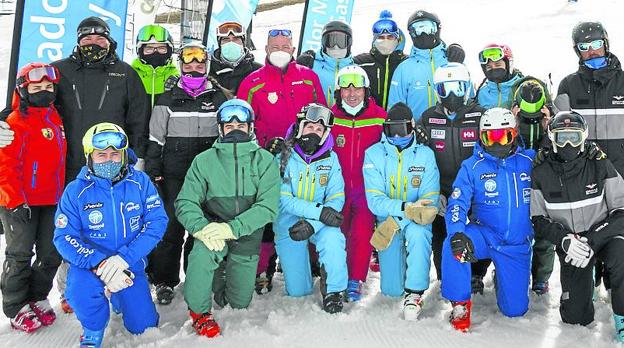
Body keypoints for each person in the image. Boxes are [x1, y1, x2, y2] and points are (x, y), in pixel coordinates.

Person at [53, 123, 168, 348]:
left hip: (129, 262)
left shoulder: (141, 182)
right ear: (90, 156)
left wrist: (124, 258)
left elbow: (157, 222)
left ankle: (120, 297)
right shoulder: (76, 191)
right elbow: (64, 236)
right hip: (90, 264)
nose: (109, 159)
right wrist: (100, 263)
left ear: (124, 155)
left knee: (144, 326)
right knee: (79, 291)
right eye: (101, 154)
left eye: (115, 153)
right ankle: (93, 329)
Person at [175, 99, 280, 338]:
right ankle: (200, 314)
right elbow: (185, 202)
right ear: (221, 129)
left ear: (251, 127)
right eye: (229, 125)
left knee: (238, 303)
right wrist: (201, 228)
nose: (235, 129)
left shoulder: (264, 160)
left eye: (241, 125)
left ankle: (222, 274)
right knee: (202, 254)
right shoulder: (204, 161)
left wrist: (232, 229)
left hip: (245, 236)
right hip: (212, 232)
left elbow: (268, 207)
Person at [237, 28, 325, 293]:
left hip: (304, 158)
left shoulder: (309, 79)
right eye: (274, 46)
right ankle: (263, 267)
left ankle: (309, 262)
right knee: (267, 211)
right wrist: (264, 142)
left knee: (307, 205)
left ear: (293, 50)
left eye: (285, 47)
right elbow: (243, 121)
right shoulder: (253, 82)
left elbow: (321, 114)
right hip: (266, 157)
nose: (280, 51)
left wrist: (312, 144)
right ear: (265, 49)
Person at [145, 42, 229, 305]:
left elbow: (226, 137)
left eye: (200, 64)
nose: (194, 68)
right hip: (173, 175)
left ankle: (195, 276)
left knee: (200, 228)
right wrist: (153, 170)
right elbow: (155, 138)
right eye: (189, 64)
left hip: (205, 176)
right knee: (171, 228)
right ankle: (164, 281)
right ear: (181, 66)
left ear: (207, 66)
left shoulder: (217, 98)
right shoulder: (168, 98)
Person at [531, 111, 624, 342]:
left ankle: (622, 316)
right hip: (571, 242)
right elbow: (538, 219)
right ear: (552, 139)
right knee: (575, 317)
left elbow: (621, 211)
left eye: (574, 137)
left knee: (622, 255)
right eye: (562, 138)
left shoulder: (599, 163)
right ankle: (586, 281)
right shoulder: (541, 172)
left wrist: (592, 241)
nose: (569, 144)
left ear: (584, 137)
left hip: (602, 235)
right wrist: (564, 240)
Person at [442, 107, 534, 332]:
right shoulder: (472, 166)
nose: (496, 144)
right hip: (485, 234)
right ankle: (460, 304)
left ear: (514, 134)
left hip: (516, 244)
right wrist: (455, 232)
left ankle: (503, 276)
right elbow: (457, 203)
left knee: (515, 310)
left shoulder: (529, 161)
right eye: (489, 137)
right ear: (480, 137)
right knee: (452, 246)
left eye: (503, 136)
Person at [0, 63, 65, 333]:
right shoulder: (15, 121)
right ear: (23, 90)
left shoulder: (57, 117)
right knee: (20, 255)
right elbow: (5, 166)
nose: (44, 92)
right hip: (21, 202)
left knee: (51, 254)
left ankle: (38, 296)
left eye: (49, 88)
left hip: (52, 200)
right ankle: (16, 307)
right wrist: (14, 200)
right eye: (36, 88)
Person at [364, 102, 440, 320]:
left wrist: (406, 214)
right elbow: (375, 200)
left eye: (402, 130)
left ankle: (415, 293)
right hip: (388, 220)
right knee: (391, 290)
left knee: (419, 232)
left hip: (415, 218)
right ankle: (399, 279)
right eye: (391, 130)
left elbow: (429, 198)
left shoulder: (424, 154)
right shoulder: (374, 154)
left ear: (412, 127)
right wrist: (404, 209)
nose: (397, 136)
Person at [274, 103, 347, 313]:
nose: (313, 133)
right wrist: (319, 212)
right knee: (298, 291)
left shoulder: (331, 159)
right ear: (299, 127)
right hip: (289, 224)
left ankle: (334, 291)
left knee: (334, 239)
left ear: (325, 134)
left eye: (319, 129)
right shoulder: (283, 157)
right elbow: (284, 200)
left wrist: (314, 223)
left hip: (320, 222)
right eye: (309, 127)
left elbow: (336, 196)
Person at [419, 62, 485, 284]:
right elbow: (420, 156)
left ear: (467, 88)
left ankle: (476, 274)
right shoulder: (428, 118)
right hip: (443, 188)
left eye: (457, 88)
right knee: (442, 233)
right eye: (444, 89)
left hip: (476, 188)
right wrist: (431, 191)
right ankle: (445, 275)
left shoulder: (479, 116)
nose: (451, 95)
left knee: (479, 229)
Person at [330, 65, 387, 301]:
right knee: (337, 231)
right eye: (346, 89)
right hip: (337, 187)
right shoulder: (330, 116)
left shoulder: (379, 117)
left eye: (357, 89)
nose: (352, 94)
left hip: (366, 189)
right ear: (338, 92)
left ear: (366, 90)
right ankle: (336, 275)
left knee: (362, 234)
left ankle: (355, 279)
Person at [558, 21, 624, 176]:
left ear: (606, 45)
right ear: (577, 51)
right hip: (587, 174)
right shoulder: (568, 86)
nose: (591, 51)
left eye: (596, 44)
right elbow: (558, 130)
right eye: (584, 47)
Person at [387, 10, 465, 121]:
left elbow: (469, 99)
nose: (423, 34)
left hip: (452, 132)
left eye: (428, 28)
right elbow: (394, 110)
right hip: (418, 134)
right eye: (417, 30)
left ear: (437, 29)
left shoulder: (453, 61)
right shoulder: (404, 69)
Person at [354, 10, 406, 110]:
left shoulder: (405, 63)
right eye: (381, 37)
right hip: (370, 120)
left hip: (397, 120)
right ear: (374, 40)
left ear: (397, 40)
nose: (385, 41)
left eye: (390, 37)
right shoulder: (362, 62)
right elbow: (340, 63)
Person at [297, 20, 354, 106]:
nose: (335, 47)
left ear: (349, 44)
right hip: (317, 118)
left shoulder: (355, 69)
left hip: (345, 119)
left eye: (341, 41)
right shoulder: (310, 65)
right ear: (323, 43)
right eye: (330, 41)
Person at [131, 24, 179, 108]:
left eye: (161, 48)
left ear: (169, 51)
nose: (155, 52)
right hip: (135, 120)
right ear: (140, 51)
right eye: (149, 48)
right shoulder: (130, 75)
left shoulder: (177, 77)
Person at [210, 21, 262, 94]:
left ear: (243, 43)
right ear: (220, 44)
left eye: (236, 39)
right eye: (226, 39)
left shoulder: (258, 71)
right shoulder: (209, 71)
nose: (231, 43)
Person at [475, 43, 524, 109]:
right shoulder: (482, 93)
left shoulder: (522, 89)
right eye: (489, 67)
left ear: (508, 65)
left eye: (498, 65)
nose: (494, 69)